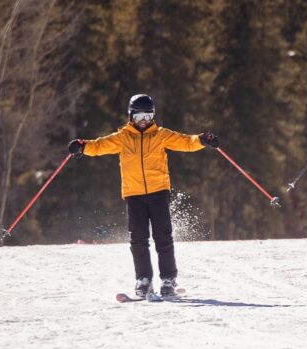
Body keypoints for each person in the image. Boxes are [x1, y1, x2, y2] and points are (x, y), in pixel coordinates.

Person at [68, 93, 219, 298]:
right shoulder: (122, 137)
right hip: (134, 194)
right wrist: (82, 146)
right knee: (138, 239)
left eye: (147, 117)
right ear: (131, 117)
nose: (144, 121)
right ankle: (143, 279)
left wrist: (202, 140)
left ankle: (168, 279)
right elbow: (99, 145)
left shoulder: (161, 135)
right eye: (139, 117)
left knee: (163, 237)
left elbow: (185, 142)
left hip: (158, 191)